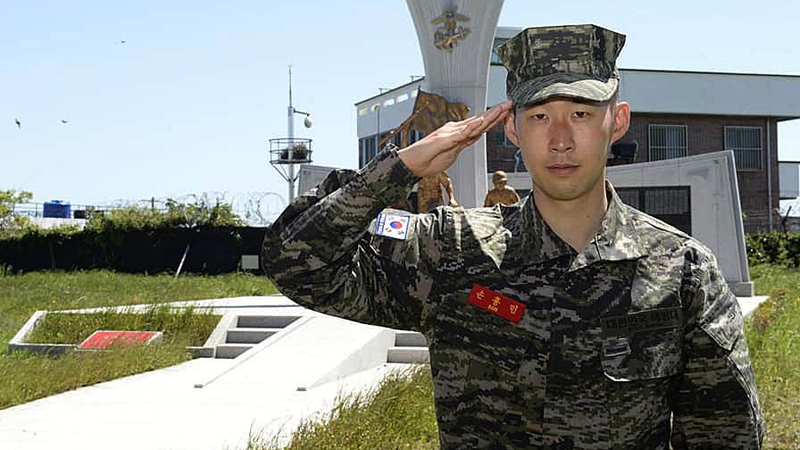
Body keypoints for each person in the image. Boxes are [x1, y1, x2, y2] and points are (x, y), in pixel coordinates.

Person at [262, 23, 764, 449]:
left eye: (582, 115)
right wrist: (401, 169)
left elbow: (725, 433)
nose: (561, 139)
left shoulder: (681, 270)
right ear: (512, 130)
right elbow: (298, 264)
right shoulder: (451, 251)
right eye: (540, 116)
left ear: (618, 122)